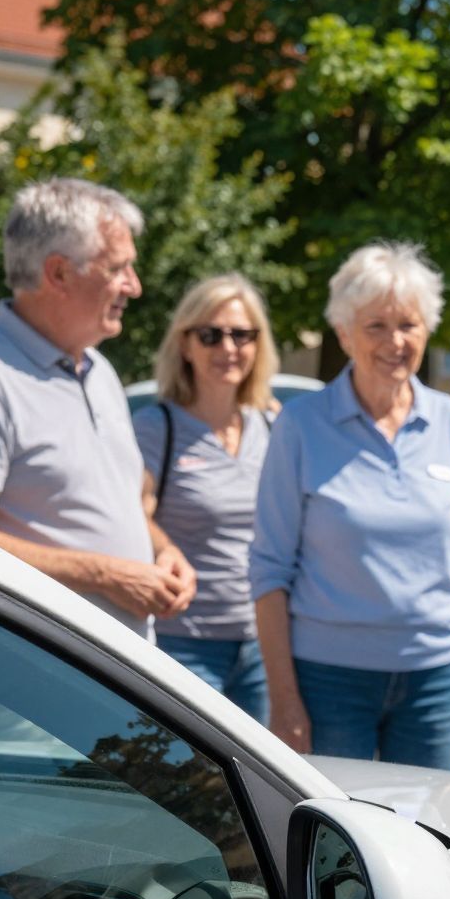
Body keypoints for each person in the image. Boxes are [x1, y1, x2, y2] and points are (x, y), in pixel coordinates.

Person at [250, 241, 450, 770]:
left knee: (425, 831)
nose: (396, 341)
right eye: (376, 326)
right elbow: (269, 572)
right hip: (328, 678)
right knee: (335, 838)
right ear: (343, 334)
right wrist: (284, 696)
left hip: (437, 677)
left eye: (409, 325)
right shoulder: (300, 426)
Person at [0, 178, 195, 637]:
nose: (135, 286)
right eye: (119, 268)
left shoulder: (97, 369)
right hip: (14, 688)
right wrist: (108, 575)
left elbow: (115, 505)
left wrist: (162, 551)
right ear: (59, 273)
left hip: (101, 675)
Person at [134, 274, 277, 724]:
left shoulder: (274, 425)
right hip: (184, 644)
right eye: (211, 335)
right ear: (185, 344)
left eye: (242, 335)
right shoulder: (157, 427)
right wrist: (164, 547)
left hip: (264, 646)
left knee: (266, 792)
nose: (228, 348)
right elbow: (137, 513)